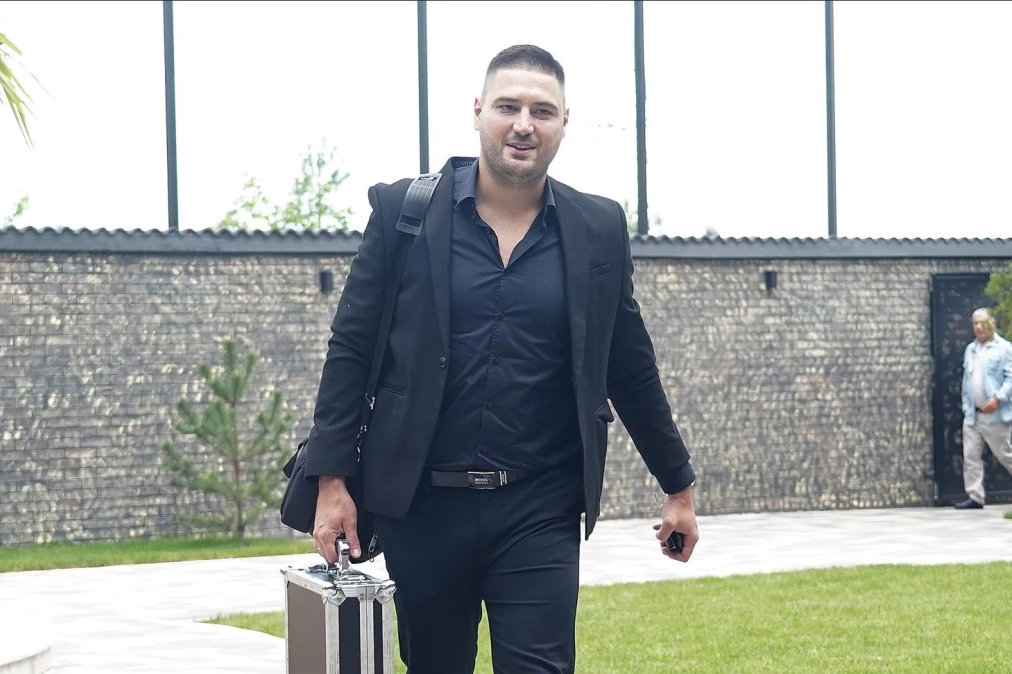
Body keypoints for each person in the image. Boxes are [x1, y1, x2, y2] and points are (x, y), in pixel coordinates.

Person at [303, 44, 698, 674]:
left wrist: (677, 485)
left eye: (542, 111)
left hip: (540, 505)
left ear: (564, 122)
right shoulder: (404, 214)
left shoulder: (598, 228)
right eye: (508, 107)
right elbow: (350, 349)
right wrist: (331, 482)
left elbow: (628, 363)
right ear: (478, 111)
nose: (523, 124)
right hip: (422, 505)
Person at [955, 307, 1012, 509]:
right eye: (975, 323)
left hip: (995, 414)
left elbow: (1010, 379)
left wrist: (998, 398)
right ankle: (975, 496)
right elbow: (966, 381)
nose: (979, 327)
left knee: (1006, 455)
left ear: (993, 323)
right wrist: (966, 406)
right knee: (971, 457)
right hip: (973, 415)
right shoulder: (970, 349)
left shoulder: (1004, 349)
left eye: (983, 322)